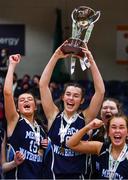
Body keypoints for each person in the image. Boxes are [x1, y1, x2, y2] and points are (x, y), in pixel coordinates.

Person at [39, 41, 105, 179]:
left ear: (81, 101)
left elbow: (100, 92)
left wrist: (91, 61)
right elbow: (43, 85)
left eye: (76, 96)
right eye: (68, 94)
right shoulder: (53, 115)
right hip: (52, 176)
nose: (71, 98)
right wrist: (55, 56)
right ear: (62, 97)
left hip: (77, 176)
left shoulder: (86, 118)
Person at [3, 54, 47, 179]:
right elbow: (7, 93)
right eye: (22, 100)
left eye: (29, 99)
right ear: (17, 108)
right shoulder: (15, 121)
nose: (26, 101)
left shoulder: (41, 129)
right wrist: (12, 65)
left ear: (35, 106)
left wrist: (47, 146)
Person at [67, 114, 128, 179]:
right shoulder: (100, 148)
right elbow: (71, 144)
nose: (117, 131)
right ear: (108, 132)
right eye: (113, 127)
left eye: (121, 127)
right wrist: (88, 127)